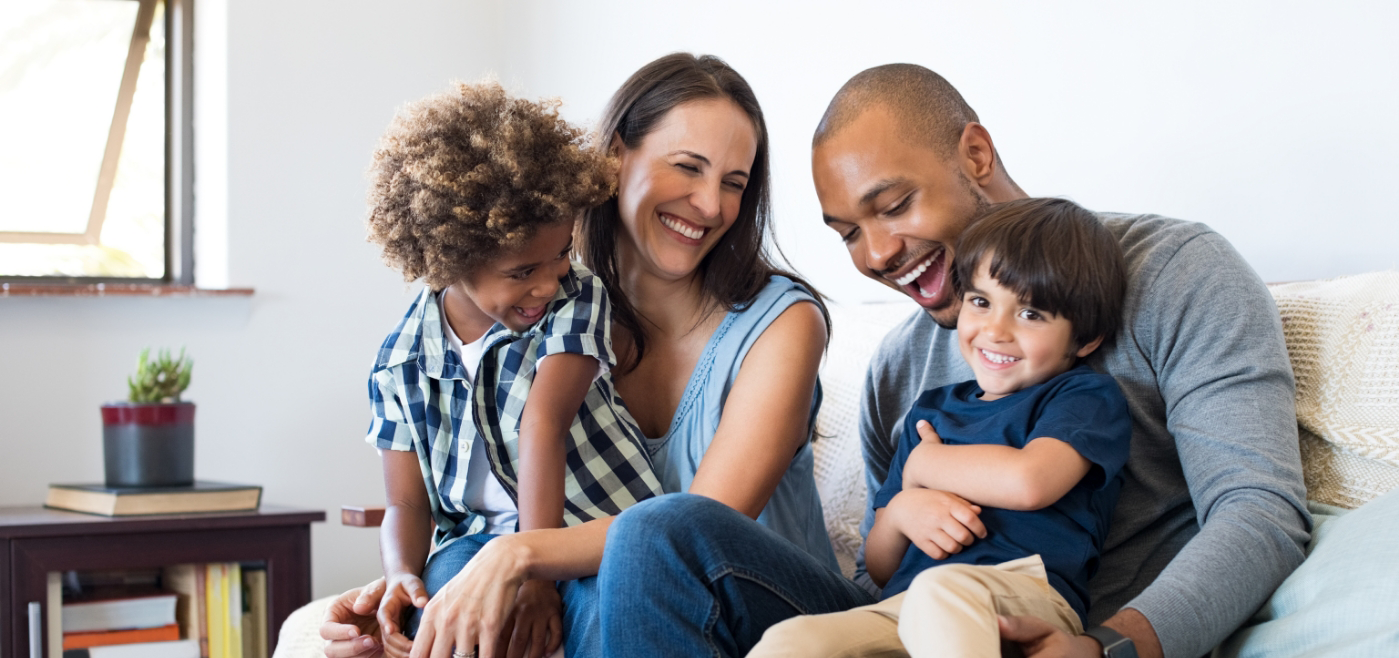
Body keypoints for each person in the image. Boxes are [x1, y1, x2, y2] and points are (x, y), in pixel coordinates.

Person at [322, 53, 869, 658]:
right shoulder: (540, 303)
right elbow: (475, 497)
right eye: (687, 167)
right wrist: (417, 597)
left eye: (734, 184)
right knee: (469, 578)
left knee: (648, 533)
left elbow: (695, 527)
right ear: (613, 157)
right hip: (631, 604)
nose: (711, 205)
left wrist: (522, 556)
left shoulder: (783, 322)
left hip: (768, 606)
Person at [814, 65, 1309, 658]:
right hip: (911, 624)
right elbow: (882, 570)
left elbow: (1258, 513)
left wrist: (1109, 648)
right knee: (683, 535)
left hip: (1079, 624)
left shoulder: (1176, 273)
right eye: (848, 234)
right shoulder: (898, 369)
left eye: (894, 205)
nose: (877, 254)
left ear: (975, 156)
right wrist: (901, 510)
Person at [749, 197, 1132, 657]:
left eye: (1031, 314)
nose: (995, 330)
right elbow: (880, 566)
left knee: (941, 593)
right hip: (907, 603)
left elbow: (1030, 481)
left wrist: (927, 463)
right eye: (980, 301)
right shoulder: (930, 412)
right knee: (794, 639)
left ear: (1085, 338)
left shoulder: (1082, 397)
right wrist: (906, 508)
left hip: (1023, 592)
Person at [360, 81, 663, 658]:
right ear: (451, 257)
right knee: (443, 596)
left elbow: (542, 425)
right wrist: (401, 574)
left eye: (559, 255)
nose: (547, 284)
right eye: (523, 270)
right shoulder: (399, 363)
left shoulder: (577, 299)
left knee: (609, 604)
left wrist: (536, 574)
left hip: (586, 531)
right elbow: (405, 503)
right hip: (473, 541)